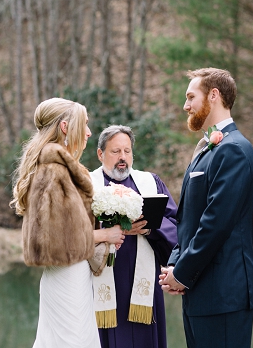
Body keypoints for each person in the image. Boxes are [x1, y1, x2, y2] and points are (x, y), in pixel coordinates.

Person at [159, 69, 253, 348]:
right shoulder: (207, 149)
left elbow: (216, 223)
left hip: (223, 294)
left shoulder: (235, 150)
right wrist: (175, 264)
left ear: (214, 96)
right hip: (200, 292)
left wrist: (181, 273)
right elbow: (187, 218)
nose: (185, 106)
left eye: (191, 97)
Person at [11, 98, 118, 348]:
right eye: (85, 124)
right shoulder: (52, 170)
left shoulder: (61, 167)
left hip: (74, 274)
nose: (90, 132)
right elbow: (54, 240)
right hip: (66, 277)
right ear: (65, 127)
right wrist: (105, 236)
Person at [89, 125, 178, 348]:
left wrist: (148, 228)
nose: (122, 158)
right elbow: (73, 233)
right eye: (115, 151)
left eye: (127, 151)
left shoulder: (150, 183)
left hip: (142, 291)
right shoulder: (87, 185)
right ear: (100, 154)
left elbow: (176, 227)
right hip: (98, 283)